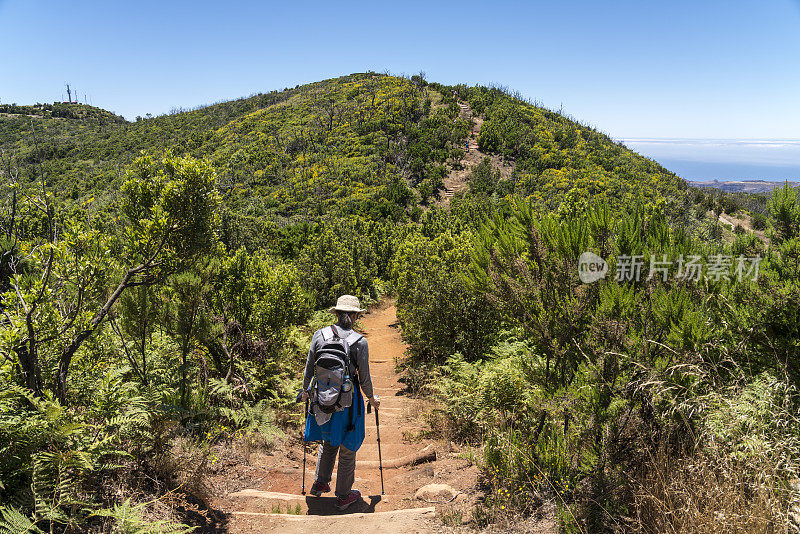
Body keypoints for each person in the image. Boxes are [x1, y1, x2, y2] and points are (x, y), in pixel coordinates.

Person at [301, 295, 380, 510]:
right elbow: (364, 378)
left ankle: (320, 483)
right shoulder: (359, 342)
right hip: (348, 402)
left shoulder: (320, 335)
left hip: (322, 399)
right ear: (355, 316)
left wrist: (305, 392)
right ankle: (344, 496)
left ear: (336, 314)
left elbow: (309, 368)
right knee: (348, 448)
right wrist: (372, 399)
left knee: (328, 442)